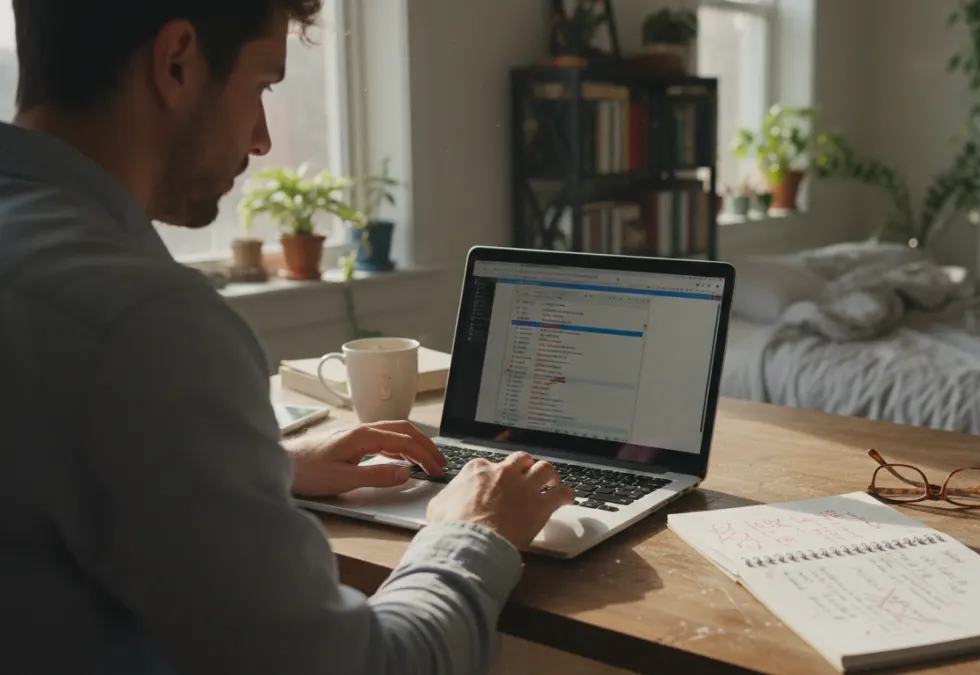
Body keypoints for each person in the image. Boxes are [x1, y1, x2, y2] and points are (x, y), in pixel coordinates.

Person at [0, 1, 575, 674]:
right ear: (176, 62)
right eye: (262, 85)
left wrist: (262, 464)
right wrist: (473, 532)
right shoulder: (141, 324)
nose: (263, 139)